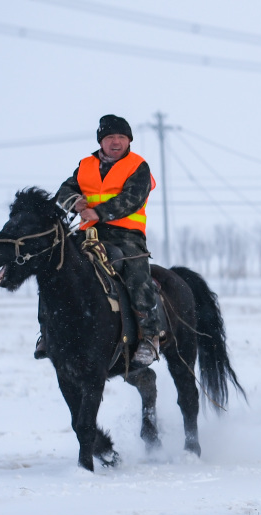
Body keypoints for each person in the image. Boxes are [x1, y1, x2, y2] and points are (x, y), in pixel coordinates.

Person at [48, 114, 161, 366]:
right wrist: (74, 202)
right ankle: (47, 331)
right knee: (55, 265)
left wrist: (98, 212)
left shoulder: (138, 166)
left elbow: (133, 198)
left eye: (121, 137)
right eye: (110, 137)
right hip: (87, 234)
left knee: (137, 275)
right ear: (101, 141)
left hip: (125, 236)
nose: (116, 141)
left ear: (129, 140)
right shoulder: (85, 164)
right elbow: (64, 191)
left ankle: (149, 336)